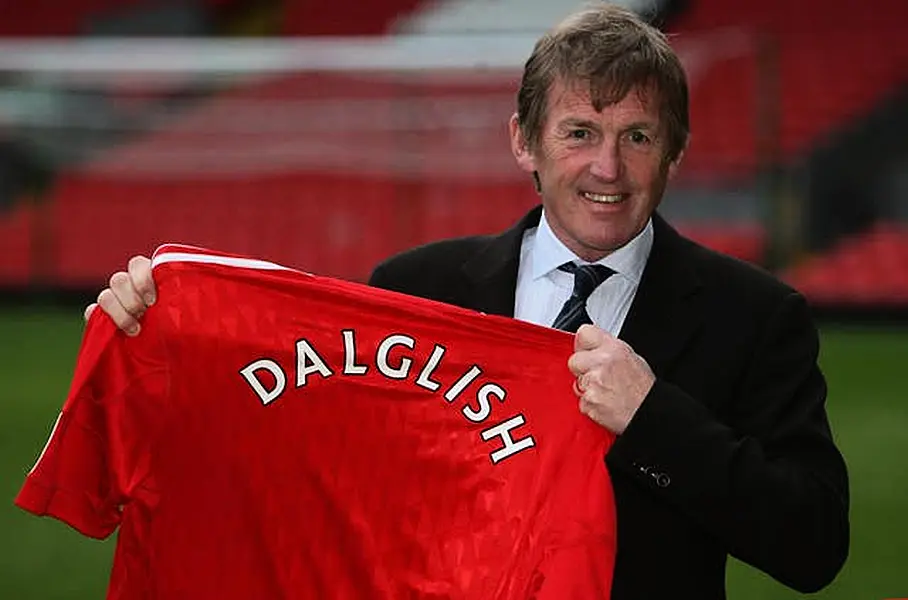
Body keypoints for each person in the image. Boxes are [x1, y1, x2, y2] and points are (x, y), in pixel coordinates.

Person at [84, 3, 849, 598]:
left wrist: (654, 421)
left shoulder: (753, 317)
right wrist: (164, 348)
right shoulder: (415, 290)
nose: (608, 168)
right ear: (525, 141)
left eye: (638, 137)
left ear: (675, 153)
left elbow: (813, 546)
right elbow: (304, 466)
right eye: (580, 132)